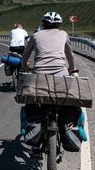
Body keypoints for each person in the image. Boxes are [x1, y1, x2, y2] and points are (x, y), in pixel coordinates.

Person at [20, 11, 82, 151]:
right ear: (59, 25)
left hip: (39, 75)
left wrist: (25, 66)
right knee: (68, 102)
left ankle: (35, 132)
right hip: (61, 75)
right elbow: (70, 55)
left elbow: (26, 55)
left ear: (43, 24)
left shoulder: (36, 35)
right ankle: (68, 128)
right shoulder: (63, 34)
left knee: (33, 104)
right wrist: (72, 69)